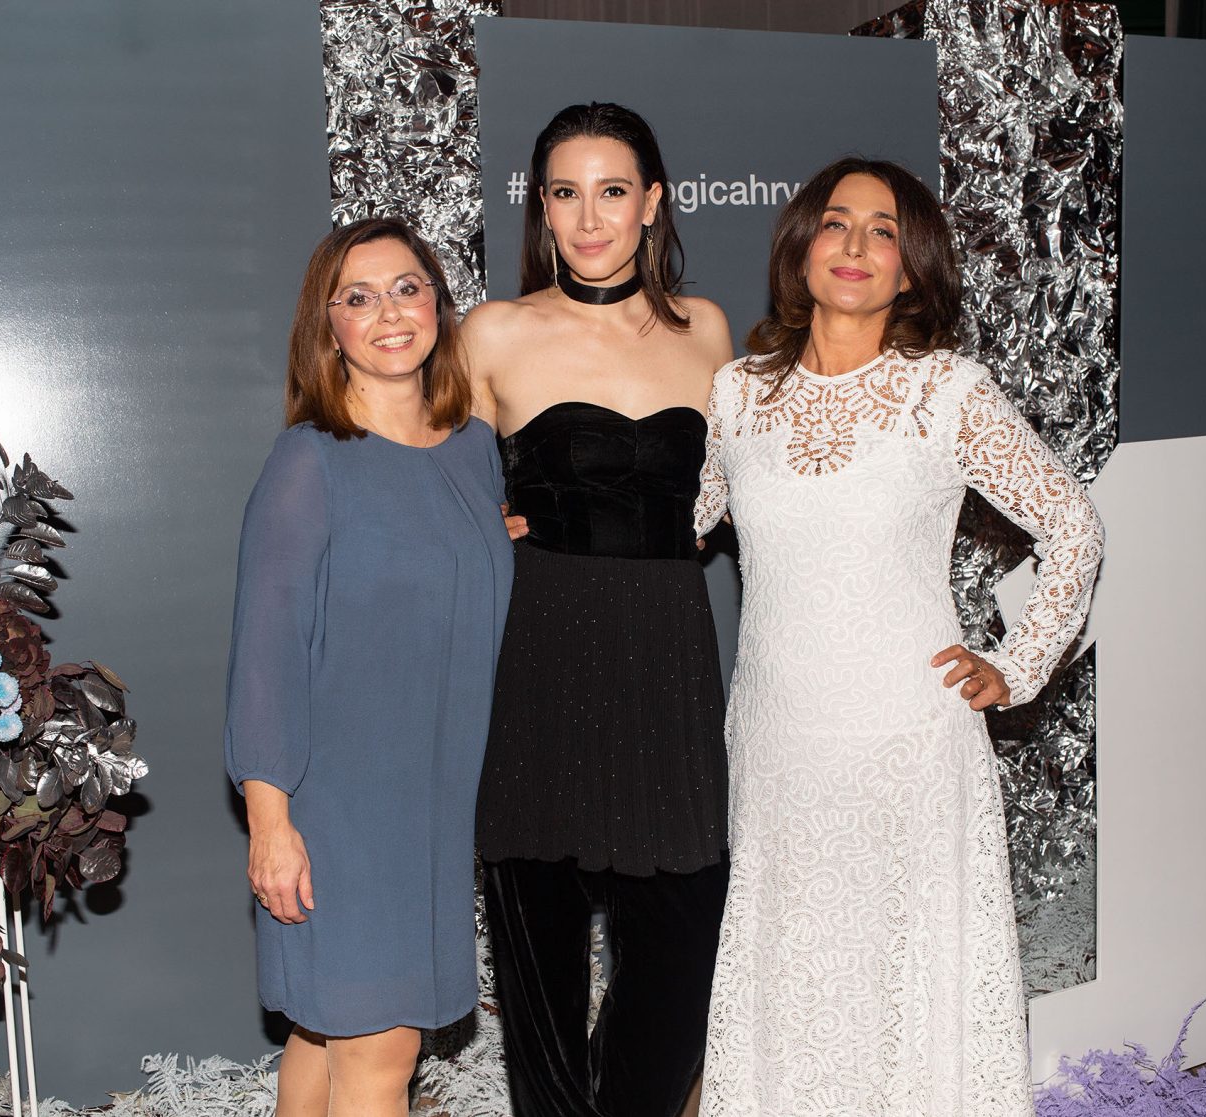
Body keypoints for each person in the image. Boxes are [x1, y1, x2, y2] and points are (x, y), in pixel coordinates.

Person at [695, 157, 1105, 1116]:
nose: (855, 245)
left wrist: (1017, 665)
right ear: (801, 247)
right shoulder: (736, 395)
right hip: (778, 741)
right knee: (794, 959)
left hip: (907, 741)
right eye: (837, 222)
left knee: (905, 966)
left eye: (883, 231)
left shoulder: (946, 391)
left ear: (911, 267)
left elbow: (1073, 524)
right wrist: (537, 524)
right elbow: (679, 523)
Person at [465, 102, 735, 1117]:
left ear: (652, 202)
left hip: (668, 668)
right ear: (541, 207)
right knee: (540, 1007)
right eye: (566, 194)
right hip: (539, 667)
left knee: (675, 981)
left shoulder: (706, 329)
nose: (589, 218)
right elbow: (429, 487)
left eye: (612, 191)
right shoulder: (495, 332)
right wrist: (472, 528)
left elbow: (742, 488)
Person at [224, 217, 513, 1117]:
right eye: (359, 297)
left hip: (433, 802)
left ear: (438, 304)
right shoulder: (309, 461)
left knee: (327, 1036)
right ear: (330, 327)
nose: (388, 312)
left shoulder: (474, 449)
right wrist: (270, 822)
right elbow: (265, 651)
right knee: (381, 1051)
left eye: (406, 288)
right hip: (340, 807)